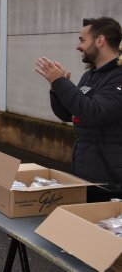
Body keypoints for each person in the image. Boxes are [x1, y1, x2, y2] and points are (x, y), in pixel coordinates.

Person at [35, 17, 122, 202]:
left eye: (82, 40)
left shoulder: (118, 77)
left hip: (111, 182)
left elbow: (93, 113)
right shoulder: (89, 75)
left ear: (100, 41)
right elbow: (69, 114)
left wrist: (60, 83)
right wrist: (57, 89)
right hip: (87, 175)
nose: (78, 46)